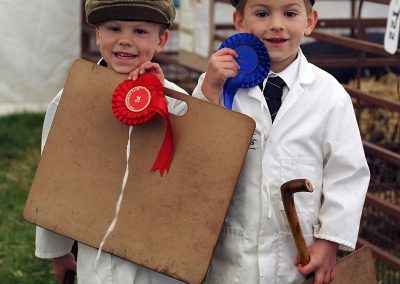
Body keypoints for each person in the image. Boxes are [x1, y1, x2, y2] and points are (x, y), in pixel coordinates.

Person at [192, 0, 370, 283]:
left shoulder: (330, 96)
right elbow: (195, 150)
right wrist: (210, 90)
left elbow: (347, 174)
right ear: (240, 22)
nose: (276, 24)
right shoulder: (217, 83)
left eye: (290, 13)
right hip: (229, 257)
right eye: (262, 14)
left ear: (309, 21)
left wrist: (329, 240)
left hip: (297, 259)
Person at [35, 0, 187, 283]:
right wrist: (58, 251)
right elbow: (52, 179)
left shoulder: (178, 105)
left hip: (160, 255)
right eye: (114, 28)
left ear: (161, 39)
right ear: (98, 35)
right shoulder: (71, 99)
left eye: (140, 31)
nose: (125, 41)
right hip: (97, 255)